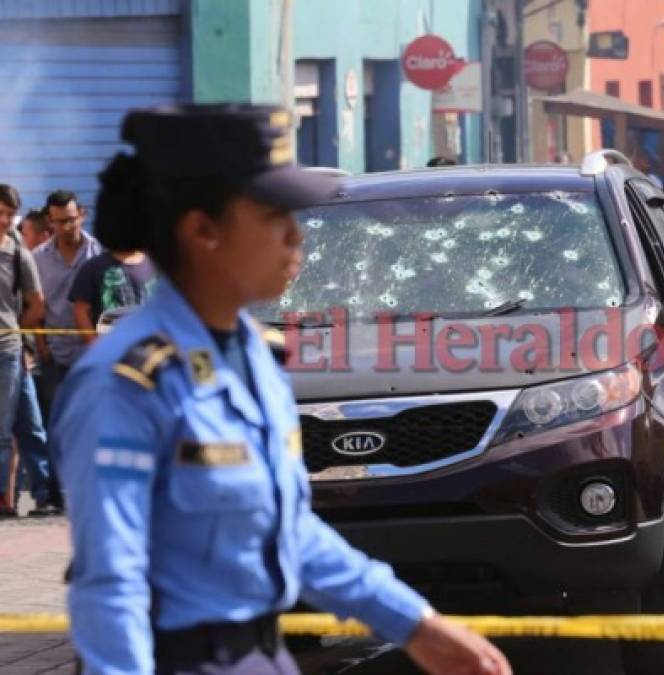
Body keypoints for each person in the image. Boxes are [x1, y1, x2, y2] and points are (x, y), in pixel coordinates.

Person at [50, 104, 511, 675]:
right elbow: (109, 584)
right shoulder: (126, 384)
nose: (296, 235)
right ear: (202, 231)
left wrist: (415, 623)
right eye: (273, 216)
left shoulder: (257, 358)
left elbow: (288, 532)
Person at [33, 191, 102, 414]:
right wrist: (41, 345)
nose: (66, 227)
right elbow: (34, 305)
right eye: (60, 222)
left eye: (71, 220)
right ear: (49, 222)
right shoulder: (37, 258)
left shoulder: (99, 254)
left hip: (92, 352)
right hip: (55, 356)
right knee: (57, 420)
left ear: (81, 215)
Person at [0, 185, 47, 518]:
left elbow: (36, 304)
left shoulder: (17, 253)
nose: (4, 220)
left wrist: (16, 331)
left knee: (26, 427)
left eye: (9, 214)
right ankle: (5, 497)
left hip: (9, 350)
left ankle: (47, 495)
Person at [69, 248, 156, 343]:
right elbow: (81, 311)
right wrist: (97, 348)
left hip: (151, 347)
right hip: (111, 346)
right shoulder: (93, 266)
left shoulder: (157, 265)